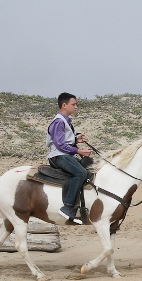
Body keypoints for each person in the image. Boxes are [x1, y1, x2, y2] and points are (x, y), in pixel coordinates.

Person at [46, 92, 93, 224]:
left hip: (64, 154)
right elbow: (59, 145)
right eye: (73, 104)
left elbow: (64, 141)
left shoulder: (65, 121)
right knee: (80, 172)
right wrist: (79, 151)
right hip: (58, 156)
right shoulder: (58, 122)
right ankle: (67, 207)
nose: (76, 107)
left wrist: (76, 140)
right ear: (64, 105)